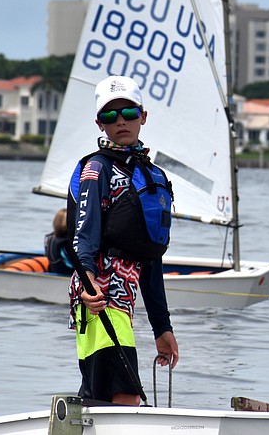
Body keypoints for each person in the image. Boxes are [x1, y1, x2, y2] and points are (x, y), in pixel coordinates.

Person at [67, 75, 179, 406]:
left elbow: (150, 256)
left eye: (129, 113)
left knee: (104, 399)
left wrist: (162, 327)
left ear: (142, 116)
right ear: (99, 123)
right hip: (99, 295)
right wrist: (88, 284)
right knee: (126, 396)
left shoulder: (151, 175)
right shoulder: (96, 169)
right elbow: (83, 235)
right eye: (110, 115)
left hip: (125, 297)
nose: (121, 121)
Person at [44, 208, 73, 275]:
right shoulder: (65, 242)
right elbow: (71, 262)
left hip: (54, 270)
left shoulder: (50, 237)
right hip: (65, 272)